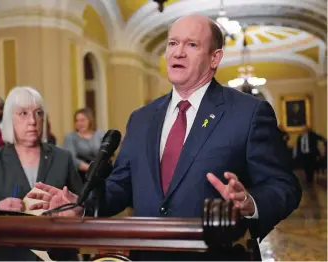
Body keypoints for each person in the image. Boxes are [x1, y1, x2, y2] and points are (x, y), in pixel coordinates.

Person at [28, 14, 302, 260]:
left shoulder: (248, 113)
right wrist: (81, 206)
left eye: (191, 45)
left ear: (215, 58)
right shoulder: (142, 118)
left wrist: (250, 203)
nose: (178, 53)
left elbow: (284, 186)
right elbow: (120, 186)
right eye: (172, 43)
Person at [0, 86, 83, 261]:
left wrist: (76, 208)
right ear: (9, 119)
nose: (33, 120)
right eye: (23, 113)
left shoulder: (63, 158)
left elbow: (83, 204)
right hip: (7, 256)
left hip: (58, 254)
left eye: (38, 113)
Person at [63, 108, 104, 182]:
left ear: (90, 120)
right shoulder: (70, 137)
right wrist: (91, 169)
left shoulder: (99, 134)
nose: (79, 123)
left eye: (82, 120)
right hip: (81, 175)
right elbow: (72, 159)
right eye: (77, 121)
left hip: (100, 173)